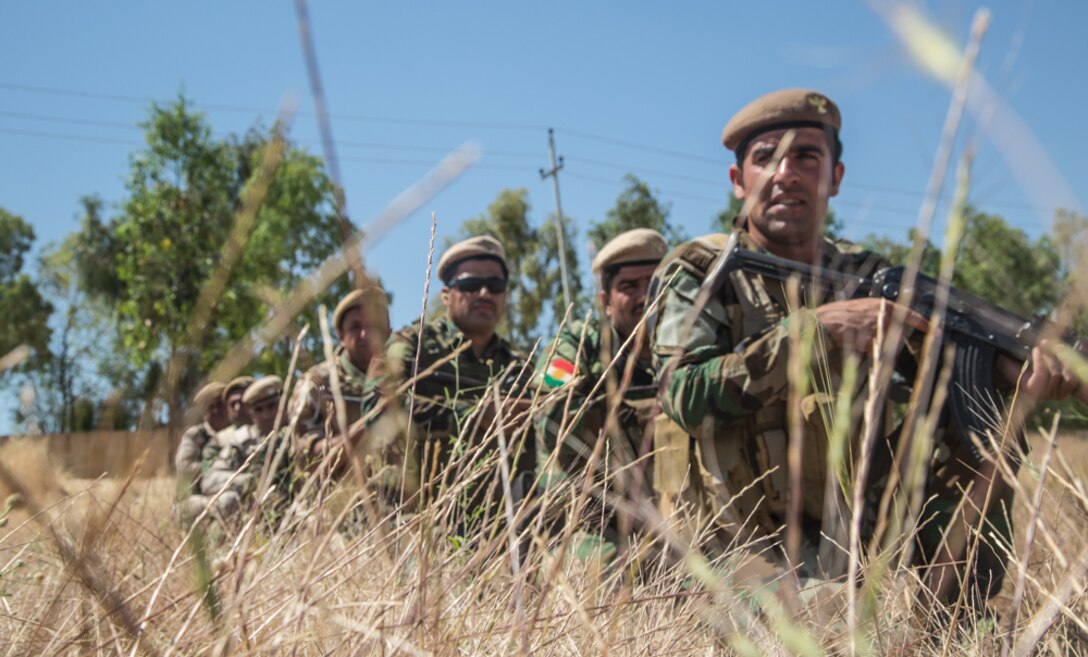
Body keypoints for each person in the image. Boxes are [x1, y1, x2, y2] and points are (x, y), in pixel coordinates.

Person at [649, 88, 1088, 609]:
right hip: (735, 555)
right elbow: (684, 396)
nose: (785, 173)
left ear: (835, 177)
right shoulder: (701, 270)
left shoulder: (868, 275)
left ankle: (958, 610)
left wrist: (1014, 376)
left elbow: (943, 368)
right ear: (738, 181)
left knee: (974, 423)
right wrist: (815, 330)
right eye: (765, 158)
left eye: (806, 157)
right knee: (859, 634)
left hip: (851, 544)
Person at [367, 235, 531, 529]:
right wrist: (473, 416)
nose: (484, 293)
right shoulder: (411, 345)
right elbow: (377, 409)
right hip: (415, 522)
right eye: (470, 285)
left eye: (495, 287)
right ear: (446, 295)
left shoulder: (518, 367)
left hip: (500, 528)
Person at [534, 228, 668, 557]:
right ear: (605, 302)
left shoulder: (687, 343)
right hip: (596, 522)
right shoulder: (576, 346)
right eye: (629, 287)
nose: (644, 297)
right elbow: (553, 411)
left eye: (653, 285)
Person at [288, 285, 389, 473]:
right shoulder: (317, 384)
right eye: (355, 327)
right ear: (341, 337)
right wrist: (371, 421)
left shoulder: (409, 375)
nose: (365, 335)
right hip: (337, 499)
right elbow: (307, 461)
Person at [194, 376, 284, 521]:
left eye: (272, 406)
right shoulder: (238, 441)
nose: (267, 414)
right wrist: (252, 481)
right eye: (259, 408)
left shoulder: (299, 430)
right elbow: (209, 479)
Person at [175, 382, 229, 494]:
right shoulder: (195, 435)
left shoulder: (237, 433)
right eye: (211, 407)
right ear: (204, 412)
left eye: (220, 405)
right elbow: (184, 467)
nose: (216, 411)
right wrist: (216, 468)